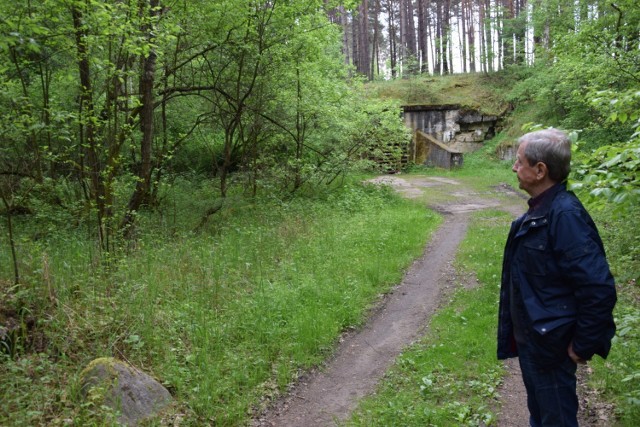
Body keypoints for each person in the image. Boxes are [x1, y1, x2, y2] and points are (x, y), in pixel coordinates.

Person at [497, 128, 617, 427]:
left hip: (551, 348)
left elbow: (598, 287)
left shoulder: (565, 216)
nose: (514, 167)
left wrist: (582, 345)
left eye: (520, 161)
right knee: (541, 417)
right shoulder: (541, 212)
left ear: (540, 170)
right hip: (535, 343)